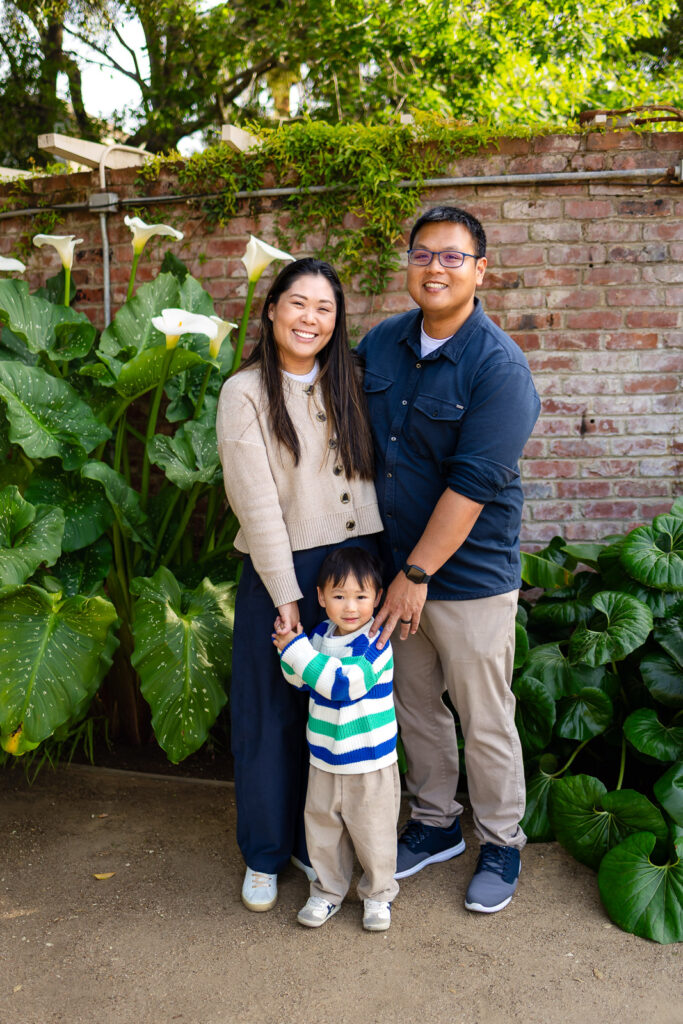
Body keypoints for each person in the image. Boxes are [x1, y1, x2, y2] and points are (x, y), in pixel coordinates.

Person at [355, 205, 541, 914]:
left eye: (452, 257)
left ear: (479, 270)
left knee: (482, 712)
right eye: (422, 254)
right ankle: (433, 824)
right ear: (408, 264)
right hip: (395, 570)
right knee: (414, 705)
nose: (435, 267)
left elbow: (471, 486)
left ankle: (499, 840)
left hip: (462, 579)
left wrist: (415, 576)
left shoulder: (499, 368)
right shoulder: (382, 344)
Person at [216, 258, 383, 912]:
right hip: (281, 573)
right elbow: (254, 503)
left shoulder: (355, 382)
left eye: (324, 308)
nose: (310, 318)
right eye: (298, 303)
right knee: (268, 715)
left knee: (342, 715)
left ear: (336, 321)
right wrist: (286, 595)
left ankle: (322, 850)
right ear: (272, 310)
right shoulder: (246, 393)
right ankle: (263, 853)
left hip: (357, 573)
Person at [272, 546, 399, 932]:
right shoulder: (320, 636)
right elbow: (300, 678)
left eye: (361, 596)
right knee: (323, 831)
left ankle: (377, 895)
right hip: (325, 758)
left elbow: (342, 684)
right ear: (321, 597)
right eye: (339, 595)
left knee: (373, 833)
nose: (350, 607)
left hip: (369, 762)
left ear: (377, 598)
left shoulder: (375, 644)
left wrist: (297, 653)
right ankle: (327, 891)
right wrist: (290, 648)